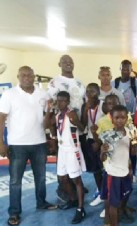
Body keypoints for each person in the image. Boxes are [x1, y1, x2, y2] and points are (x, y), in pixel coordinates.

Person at [0, 66, 57, 226]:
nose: (26, 77)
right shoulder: (9, 94)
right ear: (18, 77)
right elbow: (1, 119)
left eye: (29, 75)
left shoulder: (42, 93)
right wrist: (1, 143)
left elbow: (48, 116)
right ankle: (14, 212)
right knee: (15, 181)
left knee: (41, 177)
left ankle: (42, 202)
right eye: (23, 75)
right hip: (18, 145)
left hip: (39, 142)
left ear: (33, 77)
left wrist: (51, 137)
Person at [47, 54, 86, 203]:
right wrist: (52, 131)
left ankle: (77, 187)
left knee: (75, 161)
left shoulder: (79, 83)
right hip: (62, 129)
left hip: (77, 128)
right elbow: (49, 104)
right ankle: (64, 191)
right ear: (59, 64)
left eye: (70, 61)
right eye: (65, 61)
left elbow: (83, 104)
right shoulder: (54, 82)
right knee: (62, 162)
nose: (68, 63)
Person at [100, 105, 136, 226]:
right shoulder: (108, 135)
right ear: (112, 119)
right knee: (113, 202)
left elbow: (132, 153)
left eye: (123, 117)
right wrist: (103, 151)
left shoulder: (130, 132)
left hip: (125, 171)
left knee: (125, 195)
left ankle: (118, 215)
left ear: (127, 118)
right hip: (113, 173)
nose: (120, 120)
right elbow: (102, 158)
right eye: (117, 117)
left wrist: (134, 147)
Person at [49, 91, 86, 223]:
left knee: (76, 180)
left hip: (72, 150)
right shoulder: (58, 114)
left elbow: (82, 129)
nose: (60, 103)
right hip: (62, 150)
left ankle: (81, 210)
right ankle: (73, 200)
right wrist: (49, 109)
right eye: (58, 101)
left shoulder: (72, 114)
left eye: (63, 101)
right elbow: (49, 124)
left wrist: (76, 121)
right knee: (63, 178)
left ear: (68, 101)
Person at [81, 83, 105, 207]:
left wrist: (100, 142)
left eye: (93, 91)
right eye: (88, 91)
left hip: (103, 141)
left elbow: (109, 124)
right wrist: (85, 110)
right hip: (91, 140)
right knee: (95, 169)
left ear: (98, 93)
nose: (90, 94)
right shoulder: (85, 106)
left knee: (105, 169)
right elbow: (84, 124)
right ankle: (101, 193)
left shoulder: (103, 105)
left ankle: (107, 193)